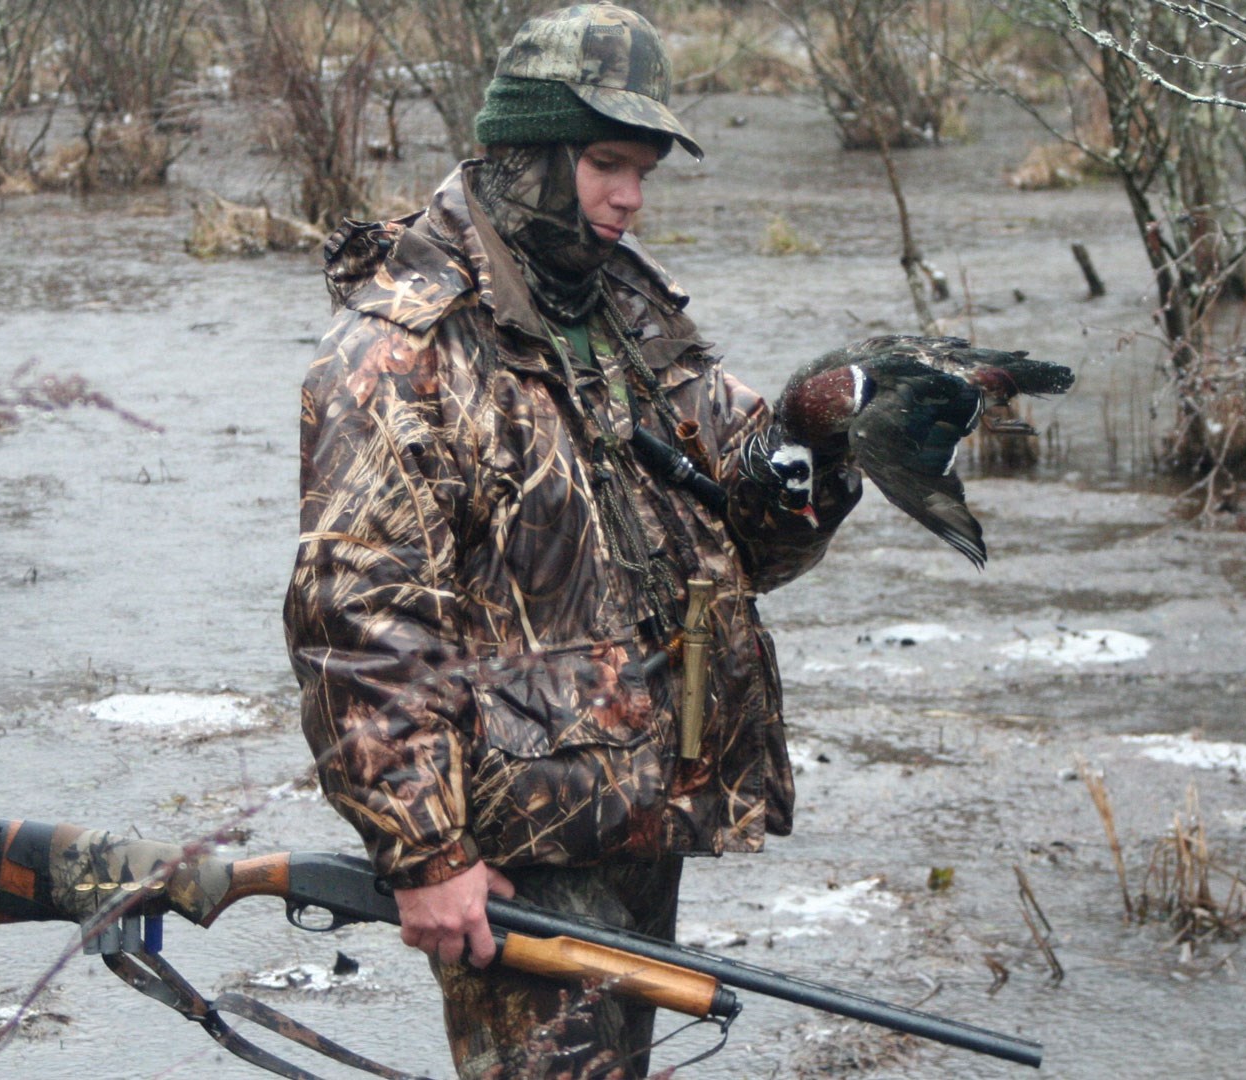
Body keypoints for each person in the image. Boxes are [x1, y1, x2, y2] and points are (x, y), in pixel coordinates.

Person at [283, 5, 861, 1076]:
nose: (629, 198)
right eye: (605, 163)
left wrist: (827, 441)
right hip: (514, 848)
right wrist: (427, 853)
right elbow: (358, 618)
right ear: (528, 149)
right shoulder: (398, 352)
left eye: (642, 170)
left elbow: (754, 547)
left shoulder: (627, 317)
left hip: (637, 807)